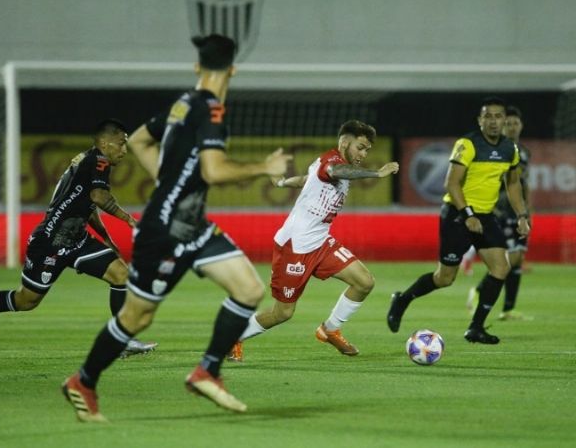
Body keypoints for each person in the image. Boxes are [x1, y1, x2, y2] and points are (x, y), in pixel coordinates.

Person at [61, 34, 291, 423]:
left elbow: (137, 140)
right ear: (233, 70)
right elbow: (213, 171)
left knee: (250, 289)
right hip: (165, 230)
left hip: (191, 224)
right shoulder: (213, 111)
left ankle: (208, 371)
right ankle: (82, 382)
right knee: (136, 318)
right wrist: (264, 169)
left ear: (198, 66)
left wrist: (167, 183)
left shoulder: (183, 104)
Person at [0, 120, 156, 356]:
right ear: (104, 142)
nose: (124, 150)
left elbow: (88, 205)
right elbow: (99, 197)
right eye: (121, 144)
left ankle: (121, 341)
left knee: (121, 275)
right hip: (49, 242)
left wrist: (106, 238)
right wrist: (130, 220)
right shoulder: (98, 160)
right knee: (26, 301)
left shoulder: (89, 161)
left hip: (77, 240)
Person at [228, 120, 399, 362]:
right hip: (295, 246)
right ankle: (234, 336)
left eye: (367, 150)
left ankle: (329, 330)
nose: (363, 154)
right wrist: (377, 173)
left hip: (321, 242)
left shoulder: (327, 164)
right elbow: (336, 172)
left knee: (364, 282)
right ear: (344, 142)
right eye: (360, 147)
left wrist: (282, 182)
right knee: (282, 313)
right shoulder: (333, 163)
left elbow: (307, 179)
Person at [386, 97, 530, 344]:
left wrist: (522, 215)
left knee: (501, 268)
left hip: (485, 216)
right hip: (456, 214)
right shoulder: (468, 144)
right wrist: (468, 215)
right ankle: (402, 299)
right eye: (488, 116)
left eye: (498, 116)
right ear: (480, 120)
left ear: (504, 120)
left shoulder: (510, 149)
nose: (493, 121)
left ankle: (476, 328)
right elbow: (451, 183)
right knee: (445, 278)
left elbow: (513, 182)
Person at [465, 105, 533, 321]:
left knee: (518, 256)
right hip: (496, 210)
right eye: (509, 123)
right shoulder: (492, 150)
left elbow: (522, 183)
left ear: (521, 125)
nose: (512, 127)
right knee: (509, 258)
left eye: (516, 123)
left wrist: (526, 211)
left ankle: (508, 308)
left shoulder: (522, 152)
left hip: (516, 212)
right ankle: (478, 291)